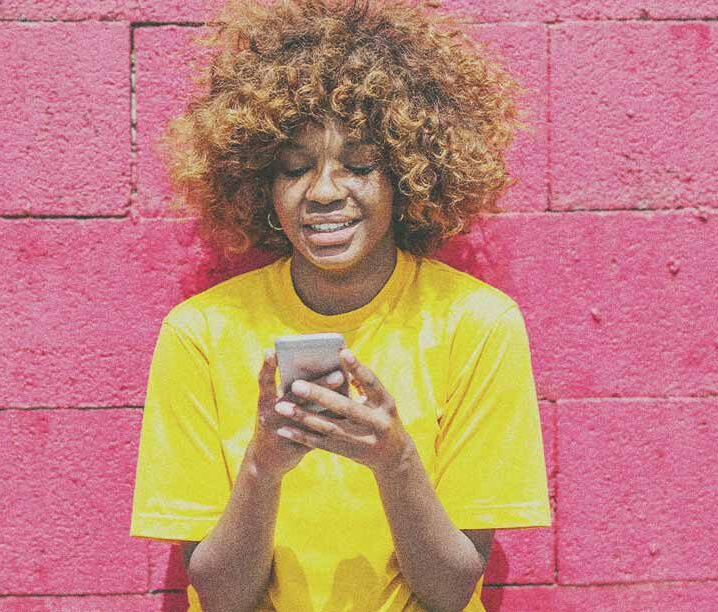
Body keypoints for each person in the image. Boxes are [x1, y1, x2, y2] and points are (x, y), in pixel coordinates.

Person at [129, 1, 551, 610]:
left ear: (409, 175)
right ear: (261, 184)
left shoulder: (477, 325)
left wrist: (394, 459)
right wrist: (263, 466)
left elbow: (452, 589)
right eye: (295, 168)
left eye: (360, 165)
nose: (324, 191)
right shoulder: (200, 332)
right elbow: (220, 594)